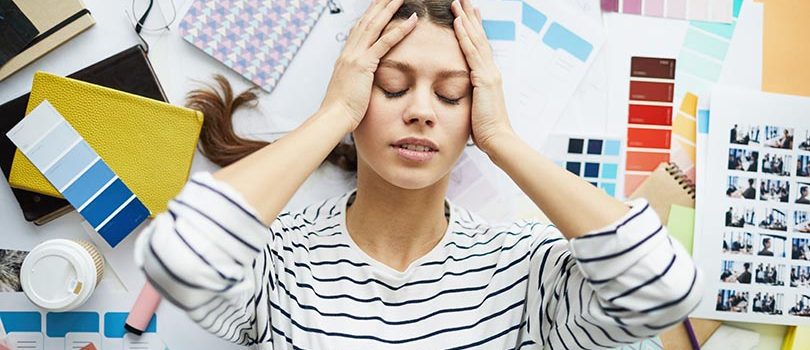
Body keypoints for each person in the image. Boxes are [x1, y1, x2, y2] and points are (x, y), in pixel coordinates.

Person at [133, 1, 702, 348]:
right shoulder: (283, 260)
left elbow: (665, 291)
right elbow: (176, 257)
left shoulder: (524, 265)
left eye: (452, 94)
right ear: (358, 96)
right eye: (393, 87)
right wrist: (332, 116)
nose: (422, 111)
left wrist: (502, 139)